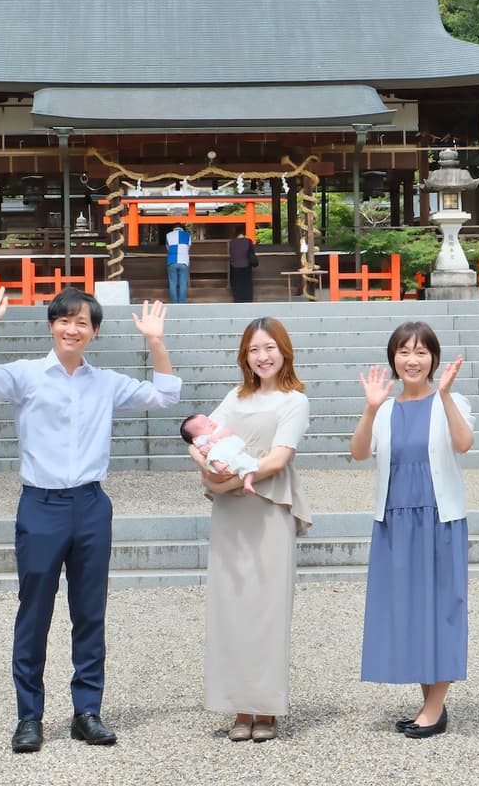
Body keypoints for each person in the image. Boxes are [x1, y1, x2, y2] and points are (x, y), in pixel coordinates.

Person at [0, 284, 180, 755]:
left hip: (92, 504)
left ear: (94, 332)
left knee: (89, 610)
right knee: (34, 611)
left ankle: (87, 712)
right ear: (51, 325)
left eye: (82, 322)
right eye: (64, 320)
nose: (71, 329)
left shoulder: (106, 383)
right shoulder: (27, 375)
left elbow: (165, 397)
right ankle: (28, 717)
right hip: (41, 504)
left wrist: (155, 341)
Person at [188, 317, 310, 743]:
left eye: (270, 347)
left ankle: (267, 708)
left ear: (284, 350)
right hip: (230, 513)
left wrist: (236, 474)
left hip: (268, 509)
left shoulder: (295, 400)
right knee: (231, 608)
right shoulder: (234, 397)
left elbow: (277, 460)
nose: (263, 356)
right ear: (245, 355)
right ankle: (240, 707)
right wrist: (211, 471)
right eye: (255, 349)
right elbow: (195, 438)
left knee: (267, 610)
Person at [351, 321, 474, 739]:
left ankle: (434, 709)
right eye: (404, 351)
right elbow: (358, 452)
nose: (413, 359)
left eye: (421, 352)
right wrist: (369, 408)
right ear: (393, 359)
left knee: (442, 608)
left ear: (434, 359)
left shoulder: (449, 400)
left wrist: (445, 397)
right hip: (395, 519)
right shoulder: (384, 407)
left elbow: (463, 444)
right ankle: (429, 705)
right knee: (411, 610)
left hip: (438, 519)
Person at [181, 412, 259, 493]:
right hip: (221, 459)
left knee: (248, 463)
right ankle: (219, 465)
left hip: (233, 452)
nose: (210, 423)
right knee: (212, 454)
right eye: (204, 425)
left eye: (208, 420)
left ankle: (247, 482)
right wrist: (203, 448)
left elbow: (229, 431)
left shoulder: (219, 429)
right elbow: (198, 447)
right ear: (195, 437)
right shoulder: (202, 439)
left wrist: (217, 436)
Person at [228, 231, 257, 303]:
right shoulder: (248, 241)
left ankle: (238, 299)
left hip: (235, 266)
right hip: (246, 265)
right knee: (246, 284)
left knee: (237, 284)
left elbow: (231, 253)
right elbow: (252, 253)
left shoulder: (232, 242)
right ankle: (247, 299)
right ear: (244, 233)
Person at [166, 225, 191, 303]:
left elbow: (167, 248)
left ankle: (174, 303)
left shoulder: (168, 235)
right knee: (183, 283)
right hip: (184, 261)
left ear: (174, 228)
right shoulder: (187, 235)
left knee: (173, 283)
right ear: (182, 228)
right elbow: (188, 248)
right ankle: (181, 303)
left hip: (172, 261)